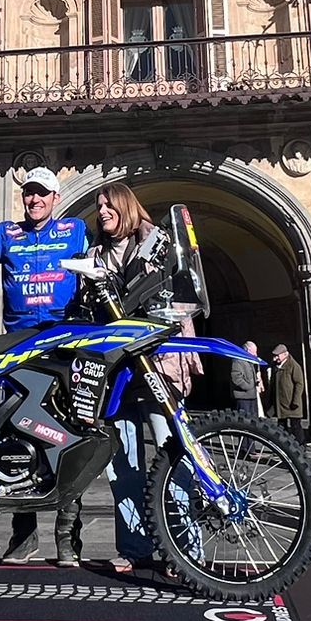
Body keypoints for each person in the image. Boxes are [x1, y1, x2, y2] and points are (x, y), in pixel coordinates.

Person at [0, 166, 87, 561]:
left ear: (56, 198)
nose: (34, 200)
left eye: (42, 194)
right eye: (28, 193)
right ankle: (24, 535)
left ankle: (66, 536)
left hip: (63, 345)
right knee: (14, 440)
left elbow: (103, 262)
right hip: (18, 348)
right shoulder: (5, 234)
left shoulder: (74, 231)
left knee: (70, 439)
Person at [90, 182, 197, 576]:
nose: (102, 212)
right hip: (118, 372)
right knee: (123, 465)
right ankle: (134, 548)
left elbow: (182, 295)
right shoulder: (95, 254)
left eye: (108, 205)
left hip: (159, 364)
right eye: (99, 207)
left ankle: (184, 548)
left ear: (125, 206)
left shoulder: (159, 243)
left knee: (175, 456)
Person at [265, 343, 308, 444]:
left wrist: (296, 401)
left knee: (296, 426)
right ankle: (283, 446)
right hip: (280, 404)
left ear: (285, 354)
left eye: (277, 356)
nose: (275, 358)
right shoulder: (275, 366)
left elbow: (299, 384)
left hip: (292, 403)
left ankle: (300, 447)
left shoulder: (293, 366)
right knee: (281, 427)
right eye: (274, 356)